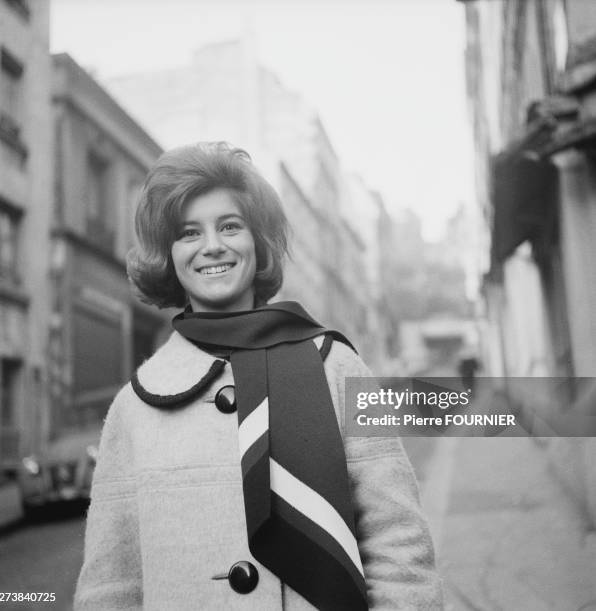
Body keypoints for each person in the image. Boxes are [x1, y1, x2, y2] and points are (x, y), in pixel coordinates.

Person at [74, 142, 443, 610]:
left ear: (258, 241)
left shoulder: (336, 367)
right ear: (168, 255)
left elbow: (399, 544)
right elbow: (110, 586)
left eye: (230, 226)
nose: (212, 246)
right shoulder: (134, 408)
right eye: (189, 233)